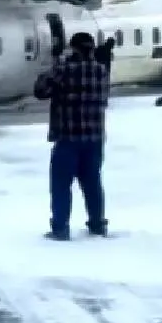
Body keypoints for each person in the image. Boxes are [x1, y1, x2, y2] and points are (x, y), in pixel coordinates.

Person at [34, 31, 111, 241]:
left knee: (61, 185)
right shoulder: (101, 71)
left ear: (74, 48)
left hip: (68, 137)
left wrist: (53, 65)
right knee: (93, 183)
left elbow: (40, 90)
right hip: (94, 138)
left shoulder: (64, 70)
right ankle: (97, 225)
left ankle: (60, 228)